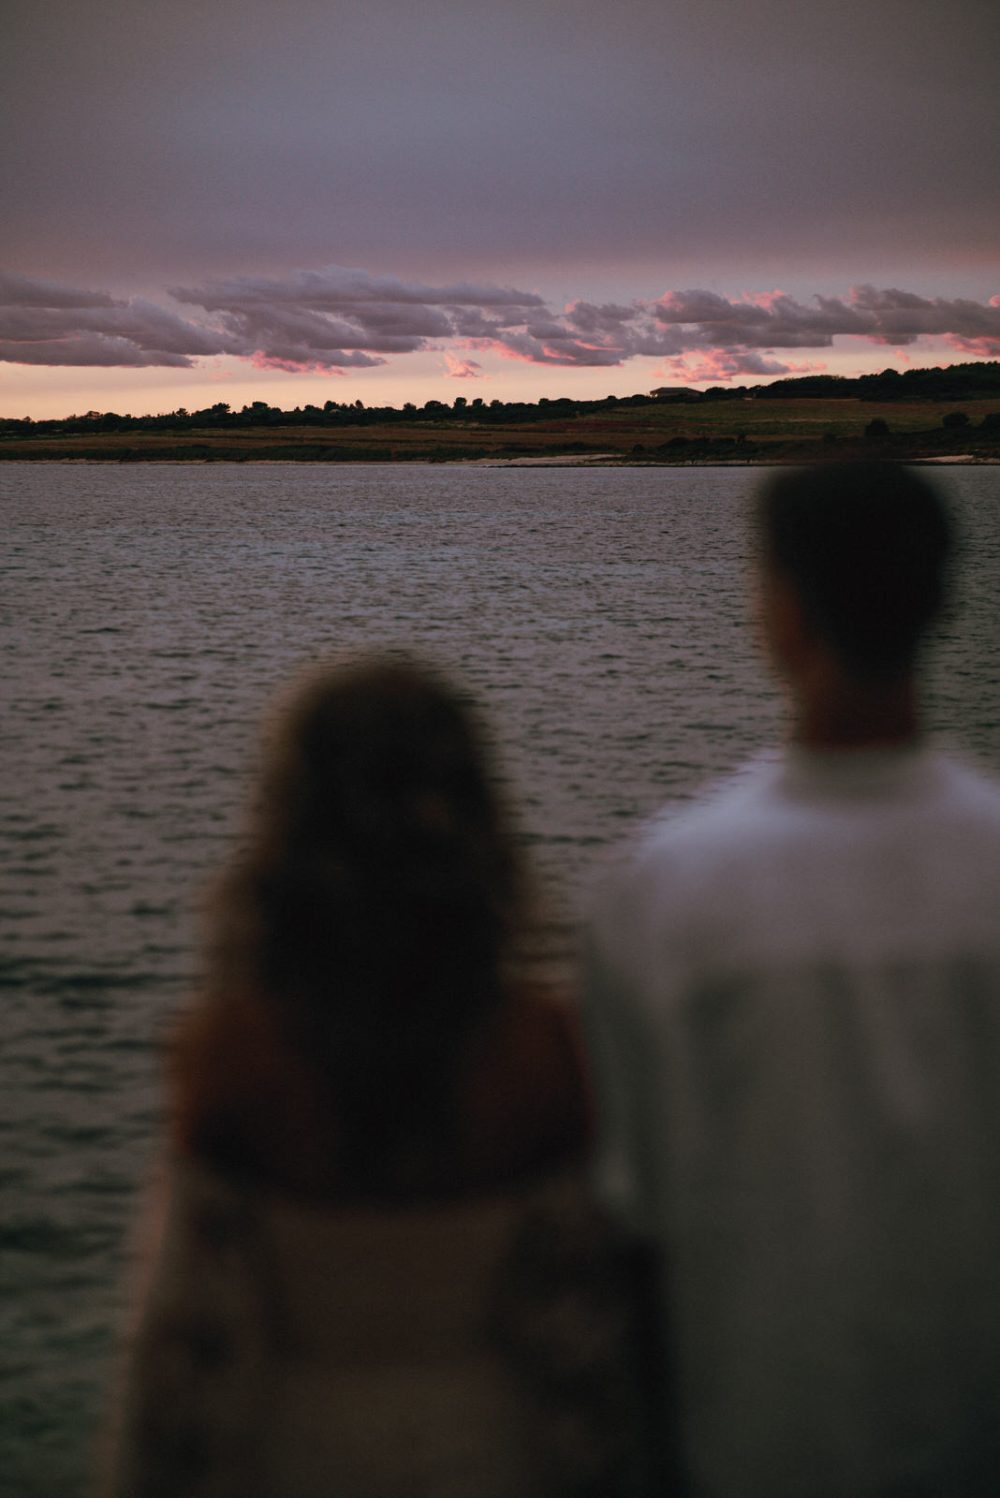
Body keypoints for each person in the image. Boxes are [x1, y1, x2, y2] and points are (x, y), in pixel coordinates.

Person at [106, 656, 640, 1498]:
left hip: (294, 1461)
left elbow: (183, 1367)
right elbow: (580, 1347)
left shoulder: (237, 1059)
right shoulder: (537, 1053)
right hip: (492, 1460)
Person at [584, 461, 1000, 1497]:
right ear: (942, 600)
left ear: (778, 609)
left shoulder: (664, 891)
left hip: (754, 1440)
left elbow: (626, 1228)